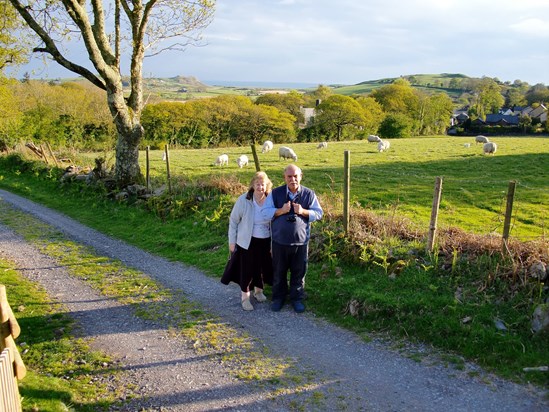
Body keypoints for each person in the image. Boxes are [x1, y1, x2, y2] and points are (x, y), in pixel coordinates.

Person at [262, 164, 323, 313]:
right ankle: (278, 298)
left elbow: (319, 213)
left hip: (300, 242)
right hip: (279, 241)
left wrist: (304, 211)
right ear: (285, 178)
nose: (293, 179)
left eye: (295, 176)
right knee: (279, 271)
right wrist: (280, 211)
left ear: (301, 176)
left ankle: (297, 298)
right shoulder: (275, 193)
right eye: (289, 176)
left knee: (298, 272)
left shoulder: (309, 194)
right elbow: (265, 212)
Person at [221, 171, 273, 311]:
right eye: (257, 184)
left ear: (267, 185)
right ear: (252, 185)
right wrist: (232, 242)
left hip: (265, 240)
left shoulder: (271, 200)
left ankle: (259, 291)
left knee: (261, 267)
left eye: (263, 184)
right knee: (247, 270)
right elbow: (233, 221)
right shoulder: (244, 200)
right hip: (247, 241)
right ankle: (245, 298)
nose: (260, 187)